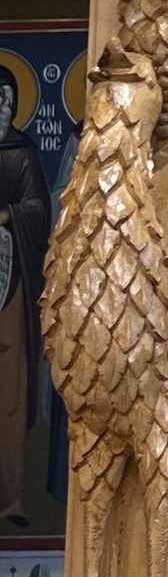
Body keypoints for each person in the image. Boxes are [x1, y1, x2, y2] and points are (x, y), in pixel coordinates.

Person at [0, 71, 51, 523]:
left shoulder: (22, 151)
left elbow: (38, 208)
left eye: (6, 99)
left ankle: (12, 499)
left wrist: (7, 215)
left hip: (10, 278)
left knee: (11, 393)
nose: (1, 107)